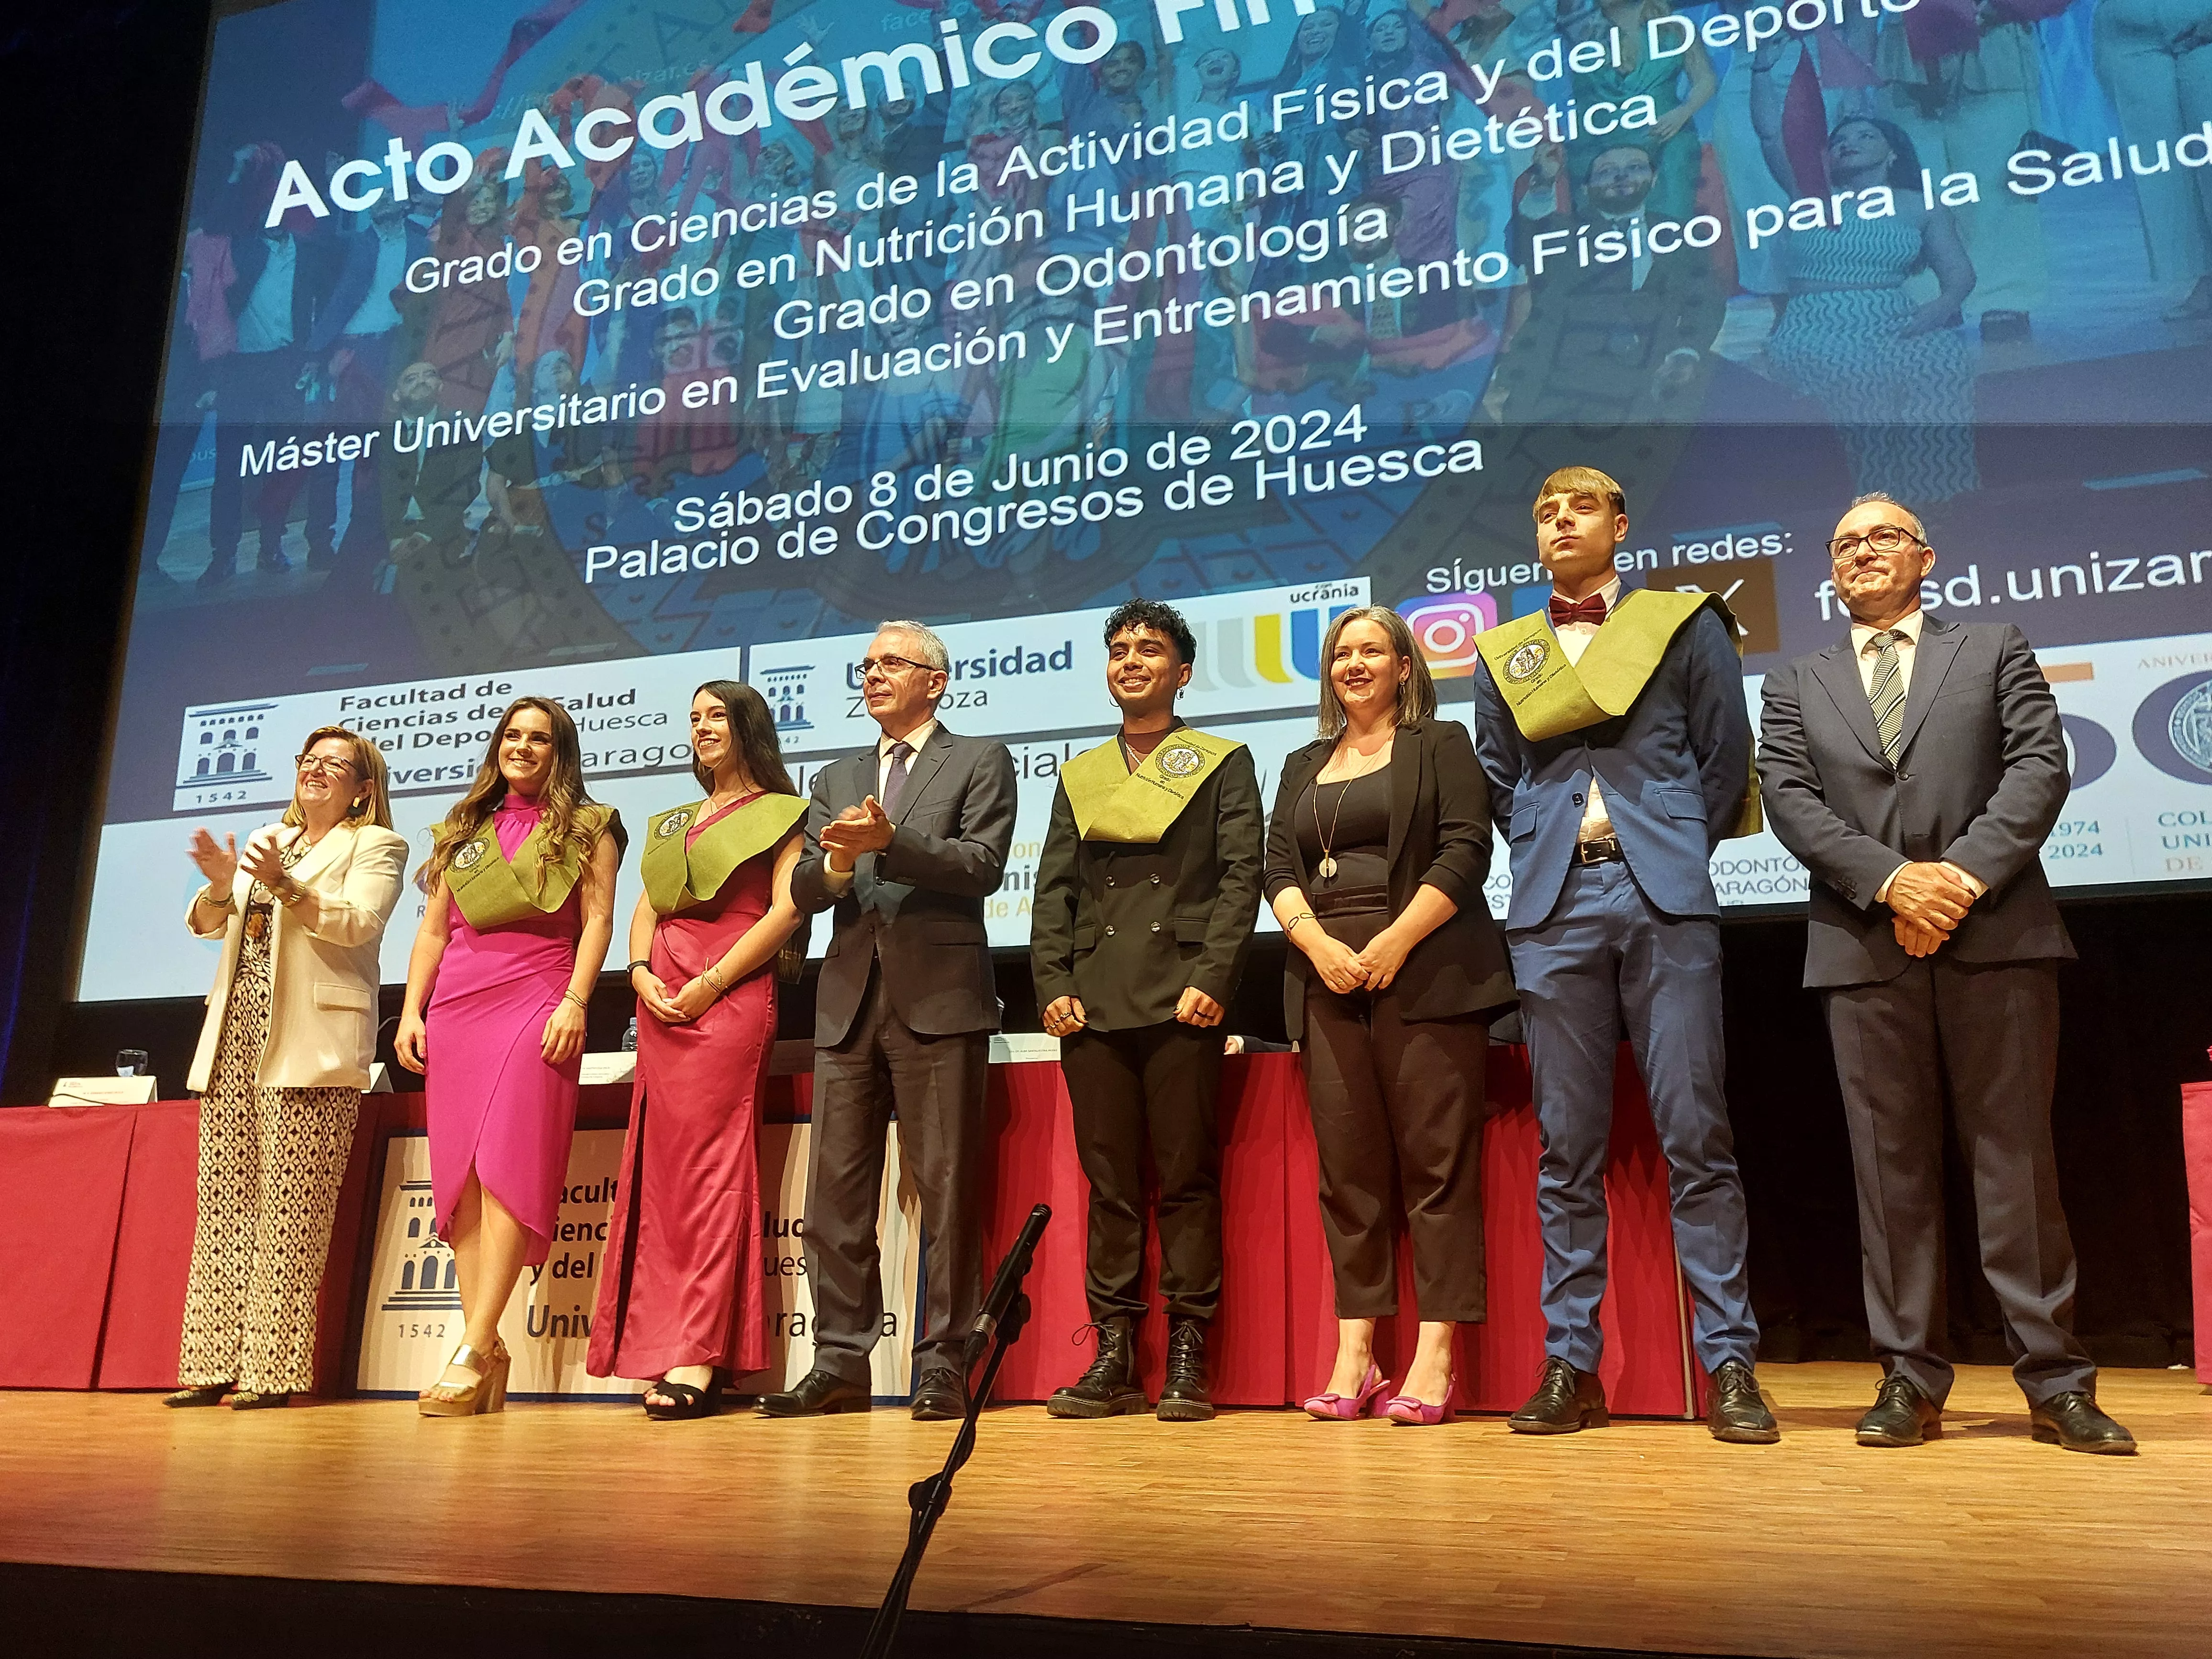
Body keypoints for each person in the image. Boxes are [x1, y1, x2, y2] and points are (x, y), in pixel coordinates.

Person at [1756, 493, 2136, 1454]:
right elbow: (1791, 806)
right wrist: (1890, 886)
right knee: (1890, 1178)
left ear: (1925, 558)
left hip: (1995, 933)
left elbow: (2037, 769)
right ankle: (1907, 1380)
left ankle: (2054, 1381)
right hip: (1861, 945)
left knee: (2014, 1164)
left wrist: (1955, 882)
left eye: (1881, 537)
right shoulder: (1795, 681)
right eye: (1842, 544)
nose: (1860, 553)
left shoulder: (1993, 645)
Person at [1468, 466, 1776, 1444]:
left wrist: (1669, 838)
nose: (1560, 520)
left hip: (1661, 894)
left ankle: (1728, 1365)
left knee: (1697, 1137)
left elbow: (1723, 755)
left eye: (1580, 507)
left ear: (1620, 526)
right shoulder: (1505, 653)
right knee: (1565, 1151)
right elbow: (1496, 776)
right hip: (1554, 904)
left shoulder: (1681, 626)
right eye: (1544, 510)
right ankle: (1570, 1366)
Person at [762, 622, 1018, 1422]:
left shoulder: (979, 758)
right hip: (846, 1005)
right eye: (866, 665)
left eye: (890, 664)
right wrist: (839, 861)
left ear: (934, 682)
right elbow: (804, 889)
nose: (872, 675)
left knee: (944, 1191)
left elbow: (981, 865)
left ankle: (942, 1361)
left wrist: (892, 842)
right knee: (834, 1198)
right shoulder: (835, 773)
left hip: (939, 998)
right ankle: (839, 1360)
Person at [1267, 608, 1516, 1426]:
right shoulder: (1302, 760)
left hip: (1426, 974)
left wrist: (1392, 941)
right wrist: (1315, 945)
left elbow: (1464, 848)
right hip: (1326, 980)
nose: (1353, 662)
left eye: (1370, 649)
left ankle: (1434, 1354)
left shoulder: (1438, 745)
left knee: (1435, 1171)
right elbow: (1276, 866)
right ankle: (1355, 1351)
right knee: (1348, 1176)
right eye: (1340, 652)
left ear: (1405, 665)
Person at [1030, 601, 1264, 1423]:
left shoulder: (1220, 761)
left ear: (1181, 670)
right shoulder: (1080, 772)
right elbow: (1053, 887)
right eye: (1119, 649)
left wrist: (1214, 974)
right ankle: (1113, 1352)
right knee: (1111, 1187)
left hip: (1181, 998)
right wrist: (1050, 981)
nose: (1130, 660)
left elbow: (1241, 878)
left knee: (1187, 1183)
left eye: (1149, 649)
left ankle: (1189, 1352)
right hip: (1092, 1002)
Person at [395, 697, 623, 1416]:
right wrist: (408, 1010)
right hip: (457, 1011)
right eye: (513, 736)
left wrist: (577, 1002)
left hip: (537, 1001)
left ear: (561, 753)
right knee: (460, 1184)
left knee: (508, 1171)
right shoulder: (465, 830)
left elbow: (599, 921)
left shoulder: (590, 827)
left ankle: (471, 1347)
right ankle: (483, 1346)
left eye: (540, 738)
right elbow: (434, 932)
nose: (523, 747)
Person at [166, 728, 407, 1410]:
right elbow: (210, 923)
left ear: (364, 788)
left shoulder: (376, 846)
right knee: (224, 1204)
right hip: (236, 1033)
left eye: (335, 766)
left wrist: (285, 885)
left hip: (312, 1039)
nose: (316, 772)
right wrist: (222, 885)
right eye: (309, 762)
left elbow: (357, 923)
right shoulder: (272, 837)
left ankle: (271, 1371)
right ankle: (212, 1363)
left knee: (290, 1212)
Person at [587, 683, 807, 1419]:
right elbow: (645, 908)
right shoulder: (673, 820)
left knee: (715, 1175)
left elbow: (786, 909)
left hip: (730, 998)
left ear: (747, 727)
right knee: (663, 1181)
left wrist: (713, 981)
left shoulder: (783, 812)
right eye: (694, 718)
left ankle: (700, 1353)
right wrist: (641, 974)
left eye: (716, 715)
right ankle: (659, 1344)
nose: (702, 727)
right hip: (663, 1004)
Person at [1749, 76, 1980, 504]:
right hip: (1815, 324)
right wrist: (1763, 68)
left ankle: (1939, 499)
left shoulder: (1920, 204)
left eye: (1865, 135)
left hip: (1895, 318)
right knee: (1861, 379)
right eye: (1840, 139)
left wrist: (1941, 308)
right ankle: (1875, 504)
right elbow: (1769, 133)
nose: (1849, 142)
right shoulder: (1808, 196)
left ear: (1892, 152)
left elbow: (1960, 276)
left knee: (1940, 365)